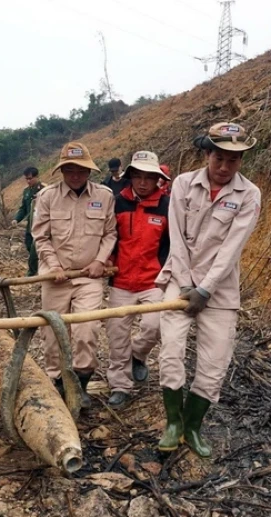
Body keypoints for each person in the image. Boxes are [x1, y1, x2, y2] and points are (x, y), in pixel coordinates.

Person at [156, 122, 261, 458]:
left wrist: (205, 289)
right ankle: (173, 422)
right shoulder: (184, 184)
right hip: (180, 280)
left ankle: (192, 426)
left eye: (233, 160)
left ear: (241, 160)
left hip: (220, 289)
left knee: (215, 361)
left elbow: (232, 247)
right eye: (219, 158)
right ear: (207, 154)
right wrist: (187, 285)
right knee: (171, 350)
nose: (225, 167)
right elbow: (176, 238)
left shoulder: (249, 195)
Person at [32, 142, 117, 409]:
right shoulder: (47, 197)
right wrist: (53, 265)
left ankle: (81, 384)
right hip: (54, 276)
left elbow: (110, 233)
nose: (75, 175)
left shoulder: (104, 196)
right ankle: (57, 384)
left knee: (87, 329)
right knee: (53, 332)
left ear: (89, 170)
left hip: (88, 276)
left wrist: (100, 260)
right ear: (62, 170)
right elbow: (41, 236)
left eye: (80, 169)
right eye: (69, 169)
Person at [104, 151, 171, 409]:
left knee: (155, 325)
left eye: (149, 178)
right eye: (138, 177)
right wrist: (109, 259)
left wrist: (166, 271)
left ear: (158, 179)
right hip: (121, 280)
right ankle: (120, 385)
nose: (143, 182)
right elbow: (109, 236)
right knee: (117, 333)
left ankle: (138, 354)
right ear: (130, 176)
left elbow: (172, 243)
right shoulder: (117, 203)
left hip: (152, 280)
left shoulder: (166, 206)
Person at [12, 166, 44, 276]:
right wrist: (16, 219)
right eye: (26, 179)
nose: (28, 181)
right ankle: (38, 267)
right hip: (30, 226)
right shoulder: (26, 191)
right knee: (29, 246)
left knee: (35, 250)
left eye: (30, 178)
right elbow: (23, 208)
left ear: (36, 177)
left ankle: (32, 272)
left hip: (40, 225)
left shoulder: (44, 190)